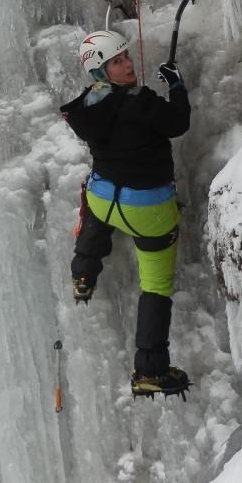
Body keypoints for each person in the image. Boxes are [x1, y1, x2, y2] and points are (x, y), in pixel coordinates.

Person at [60, 29, 191, 396]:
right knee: (156, 285)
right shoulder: (141, 100)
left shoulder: (88, 103)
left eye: (126, 56)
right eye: (117, 61)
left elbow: (116, 117)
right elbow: (178, 123)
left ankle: (83, 274)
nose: (129, 64)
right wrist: (177, 87)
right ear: (101, 71)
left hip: (105, 201)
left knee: (93, 196)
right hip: (147, 208)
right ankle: (150, 369)